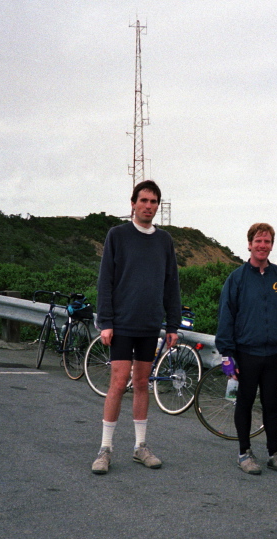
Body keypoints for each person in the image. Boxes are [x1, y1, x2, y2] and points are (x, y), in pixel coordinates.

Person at [90, 180, 181, 475]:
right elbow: (106, 281)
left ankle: (140, 446)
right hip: (121, 324)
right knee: (118, 383)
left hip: (150, 324)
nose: (149, 206)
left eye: (154, 201)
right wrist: (105, 322)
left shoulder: (164, 240)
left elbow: (172, 285)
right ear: (133, 203)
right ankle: (105, 449)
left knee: (142, 384)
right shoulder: (117, 235)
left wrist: (172, 324)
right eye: (144, 200)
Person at [215, 223, 277, 476]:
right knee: (244, 403)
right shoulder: (237, 278)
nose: (262, 245)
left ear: (271, 245)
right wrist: (227, 355)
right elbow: (226, 317)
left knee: (270, 405)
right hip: (246, 353)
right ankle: (244, 453)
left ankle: (273, 455)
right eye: (258, 241)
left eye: (267, 242)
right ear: (249, 244)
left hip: (273, 354)